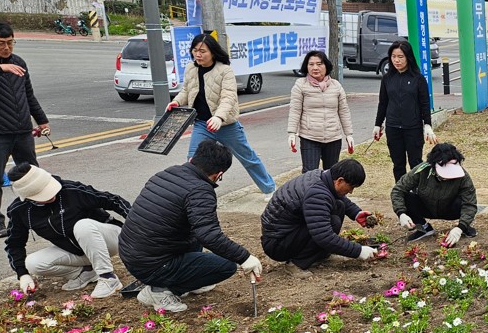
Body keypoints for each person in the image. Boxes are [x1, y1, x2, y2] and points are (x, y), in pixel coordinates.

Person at [119, 140, 263, 313]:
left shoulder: (168, 173)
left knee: (196, 232)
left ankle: (191, 280)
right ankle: (159, 292)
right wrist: (245, 258)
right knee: (226, 266)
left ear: (193, 159)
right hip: (152, 265)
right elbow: (209, 235)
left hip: (132, 251)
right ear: (218, 174)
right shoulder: (200, 191)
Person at [168, 32, 275, 197]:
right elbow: (186, 91)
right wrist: (176, 102)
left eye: (203, 51)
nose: (198, 54)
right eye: (195, 50)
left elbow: (229, 97)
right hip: (202, 124)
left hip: (226, 125)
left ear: (212, 52)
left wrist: (219, 117)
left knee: (248, 158)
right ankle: (196, 196)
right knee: (193, 161)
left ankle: (269, 189)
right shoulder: (191, 68)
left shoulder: (225, 71)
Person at [4, 163, 131, 299]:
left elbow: (114, 200)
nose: (51, 195)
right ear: (28, 197)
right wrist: (23, 275)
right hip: (76, 251)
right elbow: (14, 244)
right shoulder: (19, 210)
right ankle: (85, 272)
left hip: (108, 239)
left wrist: (138, 228)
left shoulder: (70, 190)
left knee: (83, 226)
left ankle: (108, 277)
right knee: (32, 263)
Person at [261, 158, 379, 272]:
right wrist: (359, 251)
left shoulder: (321, 176)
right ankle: (296, 264)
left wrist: (356, 213)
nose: (351, 191)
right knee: (331, 224)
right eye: (351, 187)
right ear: (340, 181)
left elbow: (339, 197)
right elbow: (324, 236)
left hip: (286, 233)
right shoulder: (317, 194)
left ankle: (320, 255)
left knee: (338, 206)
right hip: (277, 244)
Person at [0, 20, 49, 238]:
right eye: (1, 43)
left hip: (22, 130)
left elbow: (28, 95)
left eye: (11, 43)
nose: (7, 48)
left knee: (32, 172)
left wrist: (41, 120)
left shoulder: (19, 62)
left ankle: (38, 212)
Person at [390, 143, 479, 247]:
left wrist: (460, 228)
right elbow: (398, 190)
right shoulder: (422, 170)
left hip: (450, 209)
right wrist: (401, 213)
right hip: (426, 206)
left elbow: (470, 203)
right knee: (406, 197)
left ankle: (464, 226)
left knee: (464, 202)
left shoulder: (463, 176)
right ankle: (424, 227)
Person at [374, 40, 436, 182]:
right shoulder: (387, 78)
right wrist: (378, 124)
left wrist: (427, 125)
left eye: (400, 56)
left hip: (412, 127)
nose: (397, 60)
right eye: (393, 56)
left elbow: (424, 103)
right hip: (393, 127)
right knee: (398, 164)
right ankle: (401, 194)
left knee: (415, 163)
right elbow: (383, 103)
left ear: (408, 57)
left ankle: (418, 193)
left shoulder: (418, 79)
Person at [288, 50, 354, 172]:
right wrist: (292, 133)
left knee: (331, 174)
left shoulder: (336, 85)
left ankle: (328, 192)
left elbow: (344, 111)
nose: (315, 68)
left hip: (333, 137)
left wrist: (349, 134)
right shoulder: (300, 85)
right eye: (311, 64)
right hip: (310, 136)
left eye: (319, 64)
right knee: (309, 174)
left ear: (326, 66)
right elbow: (295, 110)